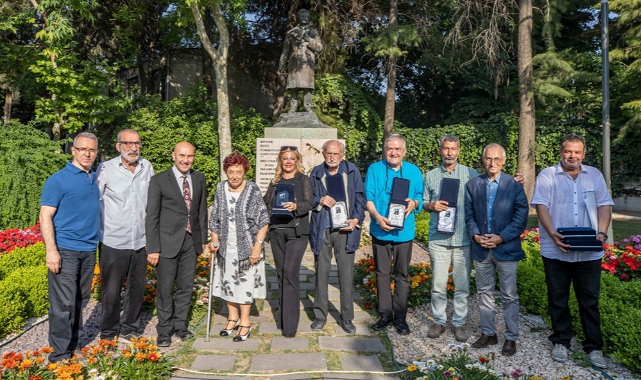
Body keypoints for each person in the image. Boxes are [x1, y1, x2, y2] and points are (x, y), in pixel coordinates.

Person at [531, 133, 613, 368]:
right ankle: (561, 341)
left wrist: (602, 232)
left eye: (577, 152)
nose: (572, 156)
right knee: (558, 298)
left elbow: (604, 205)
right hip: (556, 250)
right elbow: (541, 206)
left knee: (589, 300)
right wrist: (552, 234)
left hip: (589, 251)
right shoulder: (547, 175)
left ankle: (594, 348)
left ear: (583, 154)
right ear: (561, 152)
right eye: (568, 151)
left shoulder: (594, 175)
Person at [40, 132, 100, 362]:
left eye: (92, 150)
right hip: (65, 250)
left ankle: (73, 344)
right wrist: (51, 251)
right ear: (73, 150)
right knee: (62, 304)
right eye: (83, 149)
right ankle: (60, 354)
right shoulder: (57, 180)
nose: (87, 153)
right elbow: (45, 216)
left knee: (80, 300)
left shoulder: (94, 178)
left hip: (88, 250)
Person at [464, 143, 528, 356]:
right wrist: (475, 235)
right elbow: (469, 214)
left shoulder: (514, 184)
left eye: (497, 159)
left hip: (506, 249)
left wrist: (501, 237)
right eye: (489, 159)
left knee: (509, 295)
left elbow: (521, 217)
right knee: (484, 293)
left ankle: (511, 337)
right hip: (481, 248)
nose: (492, 163)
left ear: (504, 161)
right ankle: (488, 333)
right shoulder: (473, 184)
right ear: (483, 160)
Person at [146, 142, 208, 347]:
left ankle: (180, 325)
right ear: (173, 155)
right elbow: (152, 216)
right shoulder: (159, 180)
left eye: (190, 156)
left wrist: (203, 241)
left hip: (190, 242)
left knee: (185, 286)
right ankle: (164, 330)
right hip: (167, 243)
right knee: (165, 288)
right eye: (182, 155)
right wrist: (153, 247)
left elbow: (201, 213)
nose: (185, 160)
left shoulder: (199, 179)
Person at [95, 129, 154, 341]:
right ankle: (109, 332)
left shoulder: (147, 167)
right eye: (128, 143)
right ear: (118, 146)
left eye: (136, 143)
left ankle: (130, 328)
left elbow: (152, 202)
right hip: (113, 240)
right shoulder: (106, 168)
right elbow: (95, 200)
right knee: (111, 290)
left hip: (140, 240)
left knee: (136, 288)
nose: (133, 148)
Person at [364, 134, 423, 335]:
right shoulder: (374, 169)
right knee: (381, 274)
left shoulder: (414, 171)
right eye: (390, 148)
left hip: (404, 233)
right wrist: (377, 217)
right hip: (380, 230)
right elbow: (368, 198)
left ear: (404, 151)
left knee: (402, 275)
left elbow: (419, 197)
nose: (393, 152)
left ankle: (400, 317)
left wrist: (413, 204)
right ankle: (385, 314)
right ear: (385, 150)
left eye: (397, 149)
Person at [422, 135, 478, 342]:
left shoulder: (470, 174)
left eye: (453, 149)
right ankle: (439, 320)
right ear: (440, 150)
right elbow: (423, 202)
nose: (449, 153)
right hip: (439, 239)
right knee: (438, 283)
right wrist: (431, 206)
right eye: (446, 148)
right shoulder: (431, 175)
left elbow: (486, 191)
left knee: (462, 284)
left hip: (463, 238)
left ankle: (459, 323)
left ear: (459, 151)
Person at [209, 153, 269, 342]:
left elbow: (264, 220)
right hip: (226, 246)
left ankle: (245, 321)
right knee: (228, 282)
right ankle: (232, 317)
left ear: (245, 172)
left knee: (244, 284)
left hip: (248, 247)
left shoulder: (252, 190)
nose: (235, 176)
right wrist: (214, 239)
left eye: (239, 172)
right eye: (231, 172)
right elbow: (215, 218)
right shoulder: (220, 188)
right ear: (226, 171)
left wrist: (257, 247)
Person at [309, 140, 366, 334]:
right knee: (321, 273)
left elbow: (360, 197)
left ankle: (347, 317)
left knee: (346, 274)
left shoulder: (352, 171)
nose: (332, 157)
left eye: (336, 154)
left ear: (342, 155)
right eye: (329, 153)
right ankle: (320, 315)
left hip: (345, 229)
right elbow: (308, 198)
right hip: (323, 228)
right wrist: (319, 200)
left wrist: (356, 219)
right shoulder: (316, 173)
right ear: (323, 153)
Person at [264, 146, 314, 337]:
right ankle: (283, 316)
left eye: (292, 158)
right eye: (285, 158)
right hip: (277, 231)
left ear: (297, 160)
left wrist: (296, 205)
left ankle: (290, 325)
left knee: (290, 273)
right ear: (280, 161)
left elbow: (310, 203)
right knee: (280, 274)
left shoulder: (303, 180)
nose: (288, 161)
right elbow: (266, 202)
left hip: (297, 233)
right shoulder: (275, 181)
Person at [278, 9, 323, 113]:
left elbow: (320, 48)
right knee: (293, 86)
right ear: (298, 18)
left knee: (307, 86)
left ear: (309, 18)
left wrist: (309, 39)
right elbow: (285, 50)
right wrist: (281, 64)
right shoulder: (291, 33)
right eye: (302, 16)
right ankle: (293, 107)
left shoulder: (314, 32)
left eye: (306, 16)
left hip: (307, 63)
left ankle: (308, 106)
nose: (304, 18)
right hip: (294, 62)